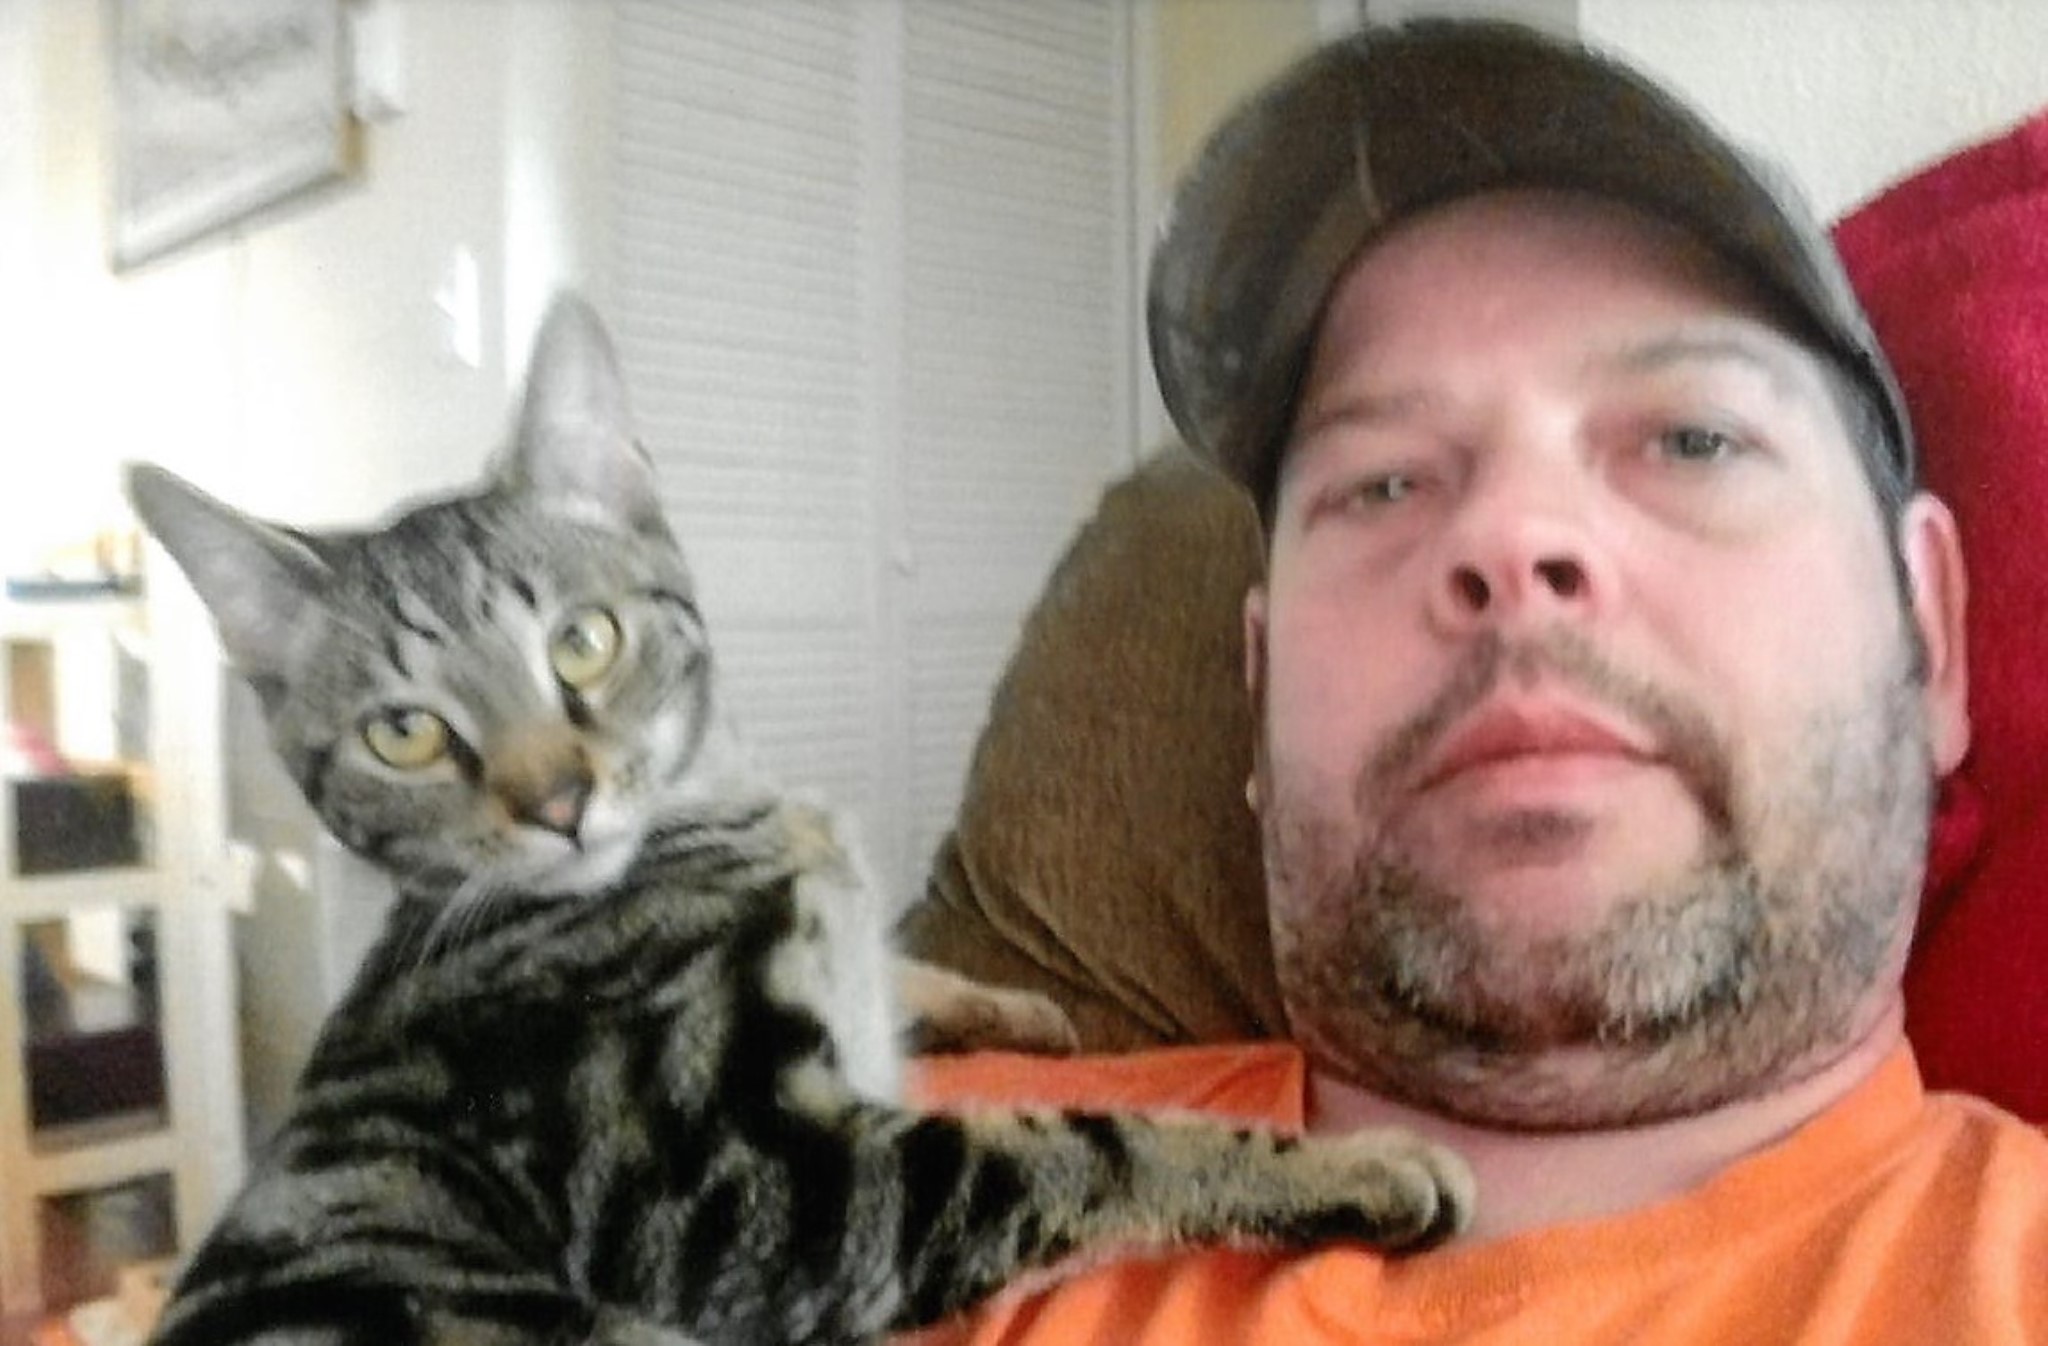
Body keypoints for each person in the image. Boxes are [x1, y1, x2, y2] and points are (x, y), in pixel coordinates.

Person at [903, 17, 2048, 1345]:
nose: (1510, 535)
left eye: (1691, 439)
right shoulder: (870, 1185)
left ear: (1930, 633)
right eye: (1385, 482)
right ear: (1261, 700)